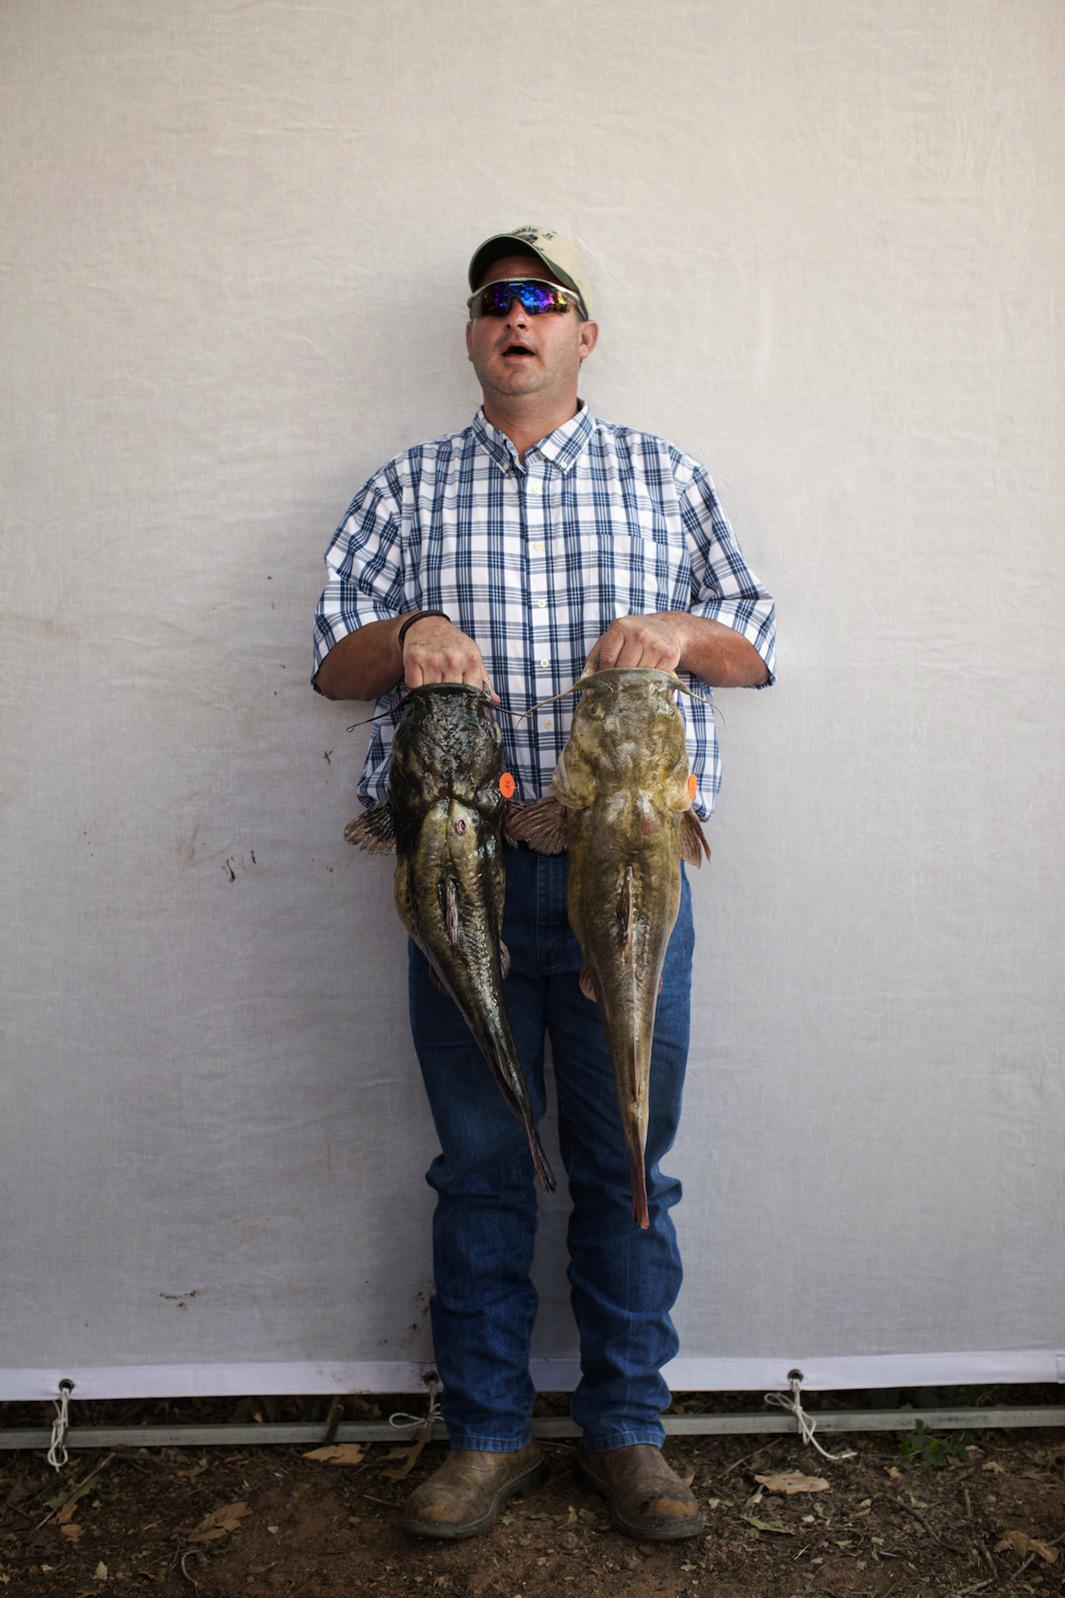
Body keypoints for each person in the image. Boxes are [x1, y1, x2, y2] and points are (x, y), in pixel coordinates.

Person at [312, 226, 776, 1542]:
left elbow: (753, 644)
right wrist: (405, 634)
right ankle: (487, 1435)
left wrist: (681, 630)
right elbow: (331, 663)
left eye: (541, 299)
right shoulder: (403, 489)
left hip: (624, 877)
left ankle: (628, 1433)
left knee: (628, 1156)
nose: (515, 317)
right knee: (479, 1162)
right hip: (455, 875)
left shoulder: (662, 473)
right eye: (493, 301)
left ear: (582, 334)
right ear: (473, 336)